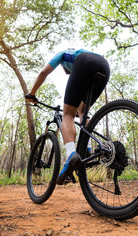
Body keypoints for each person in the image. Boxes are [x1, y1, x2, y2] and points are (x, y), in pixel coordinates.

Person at [25, 49, 110, 185]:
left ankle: (71, 155)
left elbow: (43, 73)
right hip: (104, 66)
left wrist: (32, 93)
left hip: (84, 63)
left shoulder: (63, 54)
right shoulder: (79, 51)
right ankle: (86, 150)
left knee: (68, 114)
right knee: (82, 111)